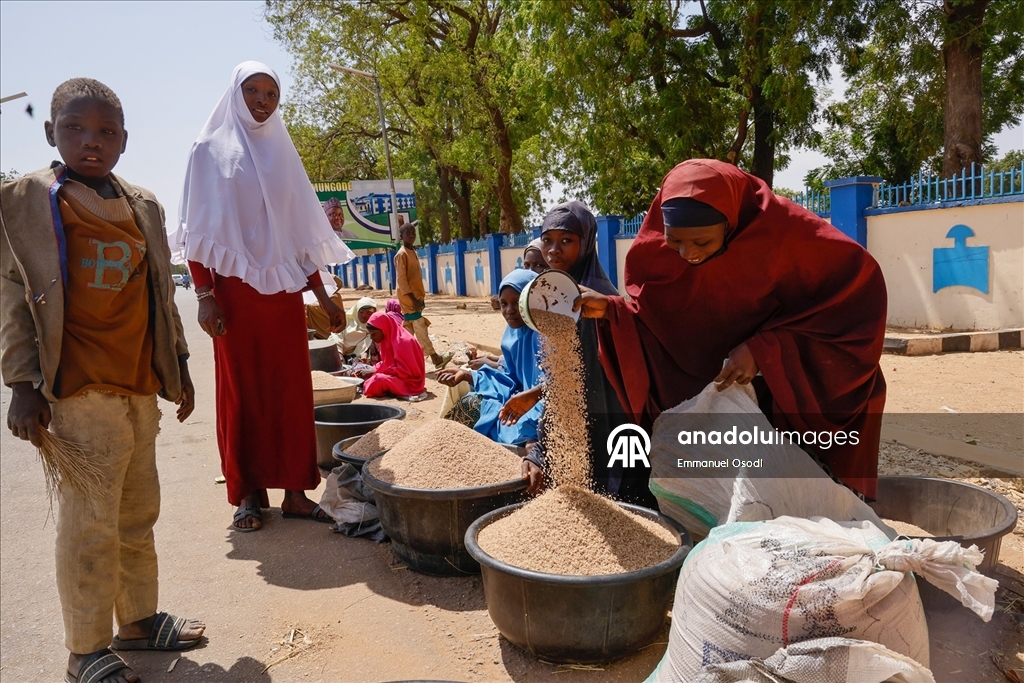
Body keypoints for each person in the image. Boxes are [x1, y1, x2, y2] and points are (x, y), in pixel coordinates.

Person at [1, 77, 204, 683]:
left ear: (123, 140)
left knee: (138, 512)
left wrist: (181, 365)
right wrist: (21, 385)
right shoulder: (26, 201)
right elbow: (12, 297)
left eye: (106, 131)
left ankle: (138, 620)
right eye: (75, 129)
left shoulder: (142, 203)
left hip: (139, 385)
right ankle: (84, 649)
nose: (91, 142)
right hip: (79, 390)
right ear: (50, 133)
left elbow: (162, 297)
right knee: (90, 522)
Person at [577, 159, 887, 500]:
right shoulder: (658, 254)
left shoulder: (788, 235)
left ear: (730, 222)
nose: (688, 254)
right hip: (720, 393)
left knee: (800, 496)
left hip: (789, 390)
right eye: (675, 241)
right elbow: (655, 320)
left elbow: (853, 308)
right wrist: (612, 310)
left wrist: (763, 350)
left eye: (702, 242)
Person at [177, 62, 354, 532]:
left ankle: (295, 492)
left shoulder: (282, 154)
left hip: (281, 298)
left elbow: (298, 235)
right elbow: (199, 232)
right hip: (232, 299)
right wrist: (204, 294)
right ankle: (247, 494)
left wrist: (325, 296)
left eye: (271, 92)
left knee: (290, 393)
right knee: (243, 394)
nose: (261, 99)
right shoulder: (207, 152)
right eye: (252, 89)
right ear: (234, 93)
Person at [535, 201, 655, 507]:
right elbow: (560, 374)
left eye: (566, 241)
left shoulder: (599, 297)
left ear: (587, 243)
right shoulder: (556, 293)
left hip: (610, 416)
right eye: (547, 240)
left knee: (619, 496)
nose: (553, 251)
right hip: (575, 415)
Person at [437, 270, 545, 491]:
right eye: (504, 304)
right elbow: (509, 379)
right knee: (470, 404)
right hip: (519, 407)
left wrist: (531, 433)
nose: (509, 310)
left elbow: (554, 389)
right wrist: (468, 375)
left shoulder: (546, 336)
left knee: (527, 441)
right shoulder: (513, 335)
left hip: (541, 414)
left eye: (517, 302)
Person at [394, 221, 451, 369]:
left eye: (413, 233)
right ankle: (435, 358)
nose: (412, 235)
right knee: (420, 326)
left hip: (416, 297)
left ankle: (399, 360)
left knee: (408, 329)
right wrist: (413, 299)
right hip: (409, 299)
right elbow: (402, 280)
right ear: (401, 236)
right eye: (408, 233)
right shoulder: (402, 254)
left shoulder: (413, 252)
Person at [357, 311, 427, 398]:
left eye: (373, 334)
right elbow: (387, 363)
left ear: (384, 328)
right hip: (396, 376)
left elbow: (406, 371)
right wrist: (372, 369)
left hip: (410, 382)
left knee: (377, 381)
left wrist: (376, 371)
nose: (372, 338)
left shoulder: (404, 342)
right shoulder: (387, 340)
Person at [305, 271, 347, 339]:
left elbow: (316, 307)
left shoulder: (335, 297)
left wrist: (307, 306)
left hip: (326, 330)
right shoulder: (318, 297)